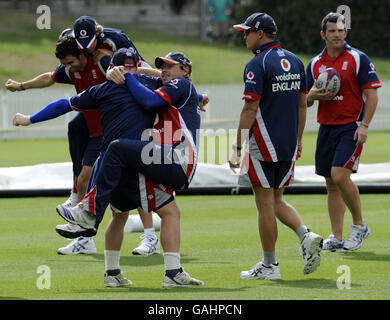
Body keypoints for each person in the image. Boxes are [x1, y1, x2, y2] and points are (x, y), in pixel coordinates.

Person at [15, 49, 205, 287]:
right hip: (135, 162)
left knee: (126, 191)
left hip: (147, 158)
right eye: (123, 68)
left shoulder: (135, 85)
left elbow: (160, 92)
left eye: (170, 66)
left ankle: (88, 213)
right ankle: (123, 271)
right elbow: (163, 84)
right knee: (151, 213)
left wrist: (197, 96)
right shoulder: (139, 82)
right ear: (116, 68)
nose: (164, 70)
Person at [7, 35, 158, 256]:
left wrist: (195, 93)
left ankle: (149, 239)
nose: (66, 68)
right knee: (99, 189)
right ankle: (90, 241)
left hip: (129, 139)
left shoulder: (113, 68)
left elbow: (160, 80)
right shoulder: (81, 75)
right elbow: (59, 95)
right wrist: (24, 94)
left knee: (137, 187)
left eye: (69, 62)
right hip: (103, 137)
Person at [230, 13, 323, 280]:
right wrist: (299, 139)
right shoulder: (295, 60)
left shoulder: (256, 64)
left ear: (260, 34)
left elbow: (250, 108)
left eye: (246, 32)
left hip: (263, 144)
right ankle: (306, 235)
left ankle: (270, 266)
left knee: (265, 204)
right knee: (277, 199)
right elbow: (302, 104)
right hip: (288, 144)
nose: (244, 36)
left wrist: (237, 147)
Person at [306, 12, 381, 252]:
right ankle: (336, 236)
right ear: (323, 34)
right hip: (326, 127)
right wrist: (312, 96)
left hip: (351, 126)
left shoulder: (358, 58)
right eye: (332, 31)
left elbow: (372, 94)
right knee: (330, 183)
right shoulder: (315, 63)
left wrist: (364, 125)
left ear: (345, 32)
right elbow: (305, 100)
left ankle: (359, 226)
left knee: (340, 175)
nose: (337, 35)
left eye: (340, 30)